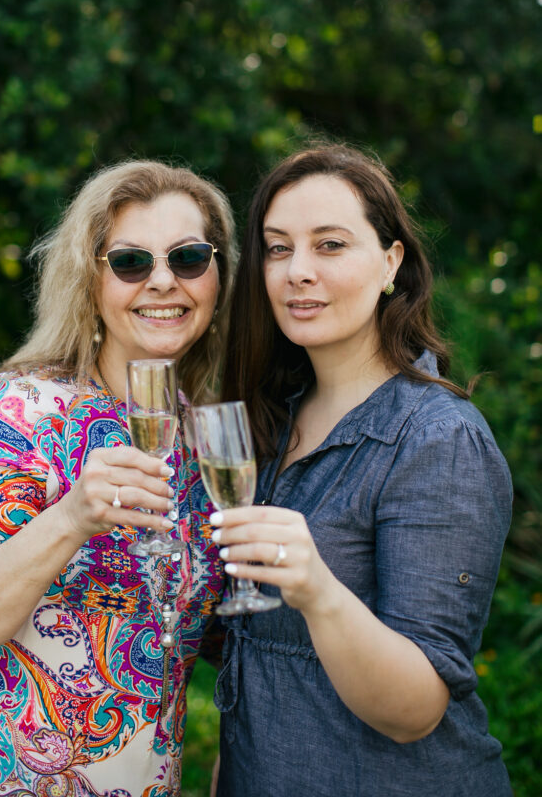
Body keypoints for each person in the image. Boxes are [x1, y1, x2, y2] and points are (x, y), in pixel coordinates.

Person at [0, 159, 236, 797]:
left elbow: (201, 627)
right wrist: (72, 515)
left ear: (217, 276)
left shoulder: (208, 436)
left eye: (187, 258)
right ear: (91, 283)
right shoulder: (16, 411)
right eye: (131, 262)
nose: (163, 281)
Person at [213, 143, 512, 796]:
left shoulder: (438, 439)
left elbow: (415, 710)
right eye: (278, 247)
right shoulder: (268, 425)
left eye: (329, 245)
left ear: (390, 263)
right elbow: (253, 670)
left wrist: (318, 591)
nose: (297, 271)